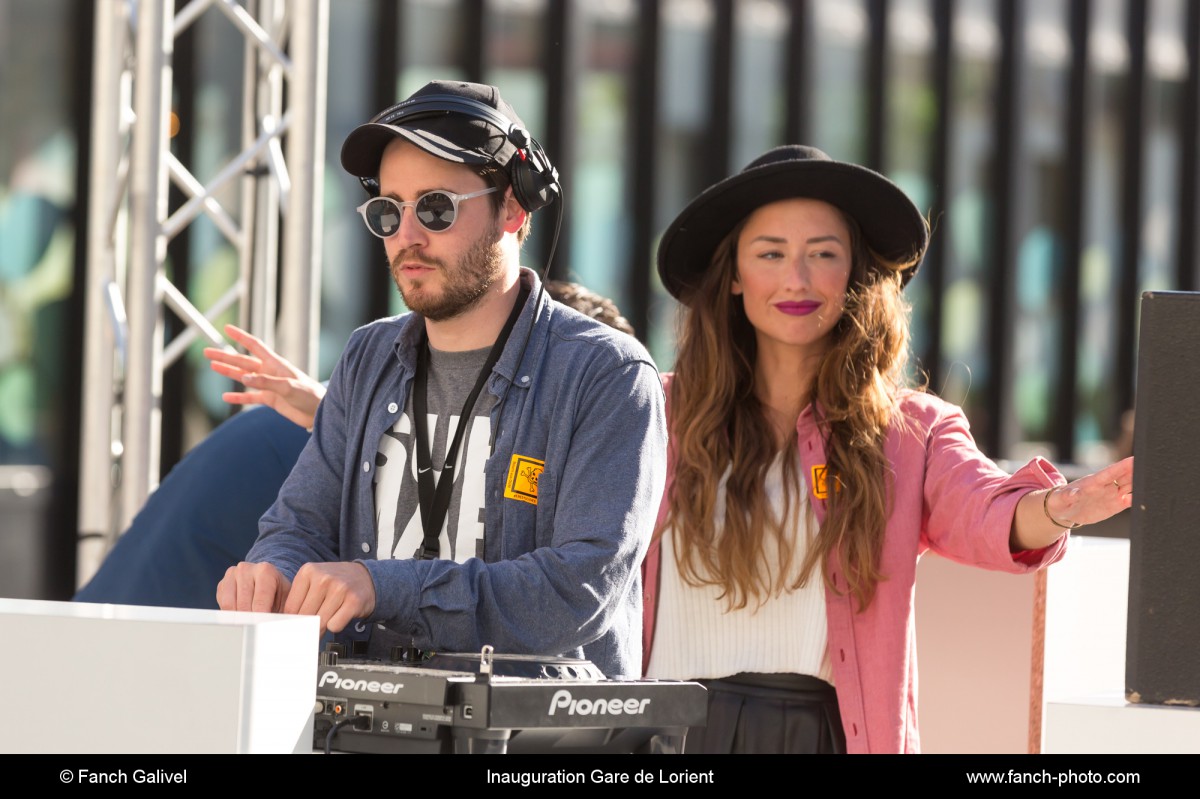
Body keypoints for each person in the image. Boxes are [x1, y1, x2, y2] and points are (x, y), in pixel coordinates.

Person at [642, 144, 1134, 753]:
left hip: (821, 736)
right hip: (660, 732)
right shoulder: (651, 412)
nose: (797, 277)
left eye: (822, 254)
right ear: (736, 276)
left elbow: (985, 511)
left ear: (854, 273)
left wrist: (1060, 507)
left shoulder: (911, 431)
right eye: (771, 254)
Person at [215, 80, 666, 680]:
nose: (407, 236)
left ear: (514, 206)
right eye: (387, 211)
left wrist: (384, 586)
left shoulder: (607, 374)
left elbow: (576, 592)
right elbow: (299, 524)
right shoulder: (368, 354)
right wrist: (272, 568)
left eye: (435, 208)